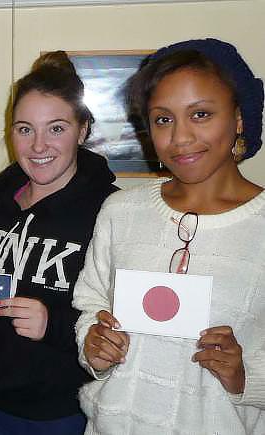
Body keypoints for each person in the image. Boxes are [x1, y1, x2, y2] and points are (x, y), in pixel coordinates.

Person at [74, 38, 265, 434]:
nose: (179, 138)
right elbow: (90, 303)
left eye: (201, 114)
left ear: (240, 118)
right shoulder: (121, 212)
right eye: (163, 119)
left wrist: (247, 376)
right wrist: (93, 346)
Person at [0, 52, 117, 435]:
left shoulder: (110, 209)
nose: (38, 145)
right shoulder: (0, 195)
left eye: (56, 128)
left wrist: (54, 324)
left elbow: (123, 327)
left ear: (82, 130)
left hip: (65, 414)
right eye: (24, 129)